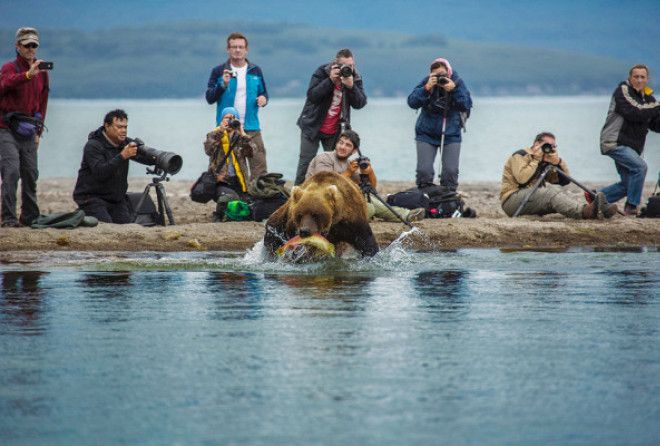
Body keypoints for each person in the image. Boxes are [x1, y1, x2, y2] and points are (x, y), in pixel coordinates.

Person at [306, 129, 425, 222]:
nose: (342, 147)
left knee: (370, 200)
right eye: (341, 143)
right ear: (336, 143)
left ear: (354, 151)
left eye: (348, 145)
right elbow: (324, 185)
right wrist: (348, 173)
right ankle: (402, 215)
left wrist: (369, 172)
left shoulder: (350, 164)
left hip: (339, 202)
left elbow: (371, 189)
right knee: (369, 208)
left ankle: (407, 216)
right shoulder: (324, 158)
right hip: (320, 202)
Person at [500, 131, 617, 219]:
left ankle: (600, 210)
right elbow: (522, 179)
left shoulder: (546, 159)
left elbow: (564, 181)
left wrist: (558, 162)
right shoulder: (520, 155)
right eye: (547, 145)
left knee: (558, 194)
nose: (549, 148)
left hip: (532, 199)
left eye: (553, 146)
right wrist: (536, 160)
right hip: (512, 201)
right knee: (550, 191)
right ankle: (585, 212)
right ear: (537, 143)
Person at [294, 48, 367, 185]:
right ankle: (296, 196)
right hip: (312, 125)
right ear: (335, 64)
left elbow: (360, 103)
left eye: (351, 65)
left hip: (335, 130)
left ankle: (332, 195)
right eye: (344, 66)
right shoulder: (322, 72)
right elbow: (312, 96)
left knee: (336, 164)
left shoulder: (355, 77)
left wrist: (351, 87)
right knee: (305, 163)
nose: (348, 68)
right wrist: (330, 81)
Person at [0, 27, 50, 227]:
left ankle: (29, 216)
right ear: (17, 46)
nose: (31, 49)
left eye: (34, 45)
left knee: (30, 172)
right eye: (27, 45)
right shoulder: (9, 68)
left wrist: (39, 131)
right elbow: (4, 85)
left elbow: (43, 102)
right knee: (11, 171)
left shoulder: (42, 73)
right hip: (6, 128)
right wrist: (27, 75)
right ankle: (9, 218)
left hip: (29, 129)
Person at [205, 32, 268, 187]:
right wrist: (223, 85)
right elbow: (209, 98)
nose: (237, 50)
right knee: (226, 169)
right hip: (226, 130)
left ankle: (258, 201)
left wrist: (263, 99)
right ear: (228, 49)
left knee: (259, 167)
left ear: (246, 50)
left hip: (251, 127)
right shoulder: (218, 71)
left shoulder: (255, 70)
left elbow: (264, 93)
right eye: (234, 47)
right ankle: (228, 200)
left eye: (241, 47)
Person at [598, 64, 660, 216]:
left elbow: (653, 123)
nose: (639, 80)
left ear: (647, 79)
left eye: (642, 77)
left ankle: (596, 198)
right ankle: (631, 207)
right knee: (640, 168)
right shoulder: (622, 91)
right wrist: (657, 107)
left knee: (628, 184)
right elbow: (635, 112)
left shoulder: (648, 99)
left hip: (631, 147)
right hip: (614, 142)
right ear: (630, 78)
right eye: (636, 76)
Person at [73, 109, 150, 224]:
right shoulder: (93, 145)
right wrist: (122, 156)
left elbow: (146, 157)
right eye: (119, 127)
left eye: (125, 127)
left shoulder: (126, 143)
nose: (123, 130)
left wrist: (160, 160)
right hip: (91, 198)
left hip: (116, 199)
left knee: (127, 227)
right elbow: (100, 172)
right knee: (107, 225)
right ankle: (83, 214)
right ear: (107, 126)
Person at [407, 57, 472, 191]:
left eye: (443, 74)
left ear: (449, 72)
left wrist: (454, 90)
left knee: (450, 172)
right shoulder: (427, 82)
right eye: (437, 75)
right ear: (431, 74)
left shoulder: (457, 82)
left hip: (451, 133)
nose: (440, 78)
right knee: (424, 171)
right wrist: (426, 88)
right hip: (426, 133)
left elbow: (465, 104)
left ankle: (448, 200)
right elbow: (412, 102)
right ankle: (426, 196)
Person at [203, 107, 256, 222]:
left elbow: (252, 152)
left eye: (232, 118)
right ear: (221, 119)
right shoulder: (213, 134)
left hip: (239, 181)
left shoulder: (239, 136)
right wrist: (220, 132)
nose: (229, 120)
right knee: (230, 198)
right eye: (226, 117)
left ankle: (229, 213)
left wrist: (243, 133)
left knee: (249, 209)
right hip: (221, 181)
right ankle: (218, 214)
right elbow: (208, 150)